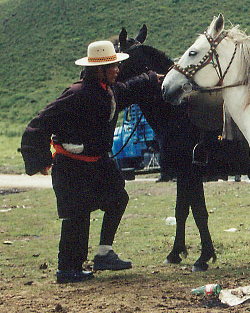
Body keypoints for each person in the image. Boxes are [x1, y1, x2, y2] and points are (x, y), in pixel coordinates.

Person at [19, 40, 162, 284]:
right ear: (99, 69)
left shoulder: (108, 91)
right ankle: (67, 270)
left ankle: (104, 253)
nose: (117, 70)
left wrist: (152, 78)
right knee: (77, 215)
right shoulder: (76, 94)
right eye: (113, 66)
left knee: (118, 197)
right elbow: (39, 124)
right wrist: (40, 160)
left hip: (96, 164)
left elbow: (130, 88)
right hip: (71, 166)